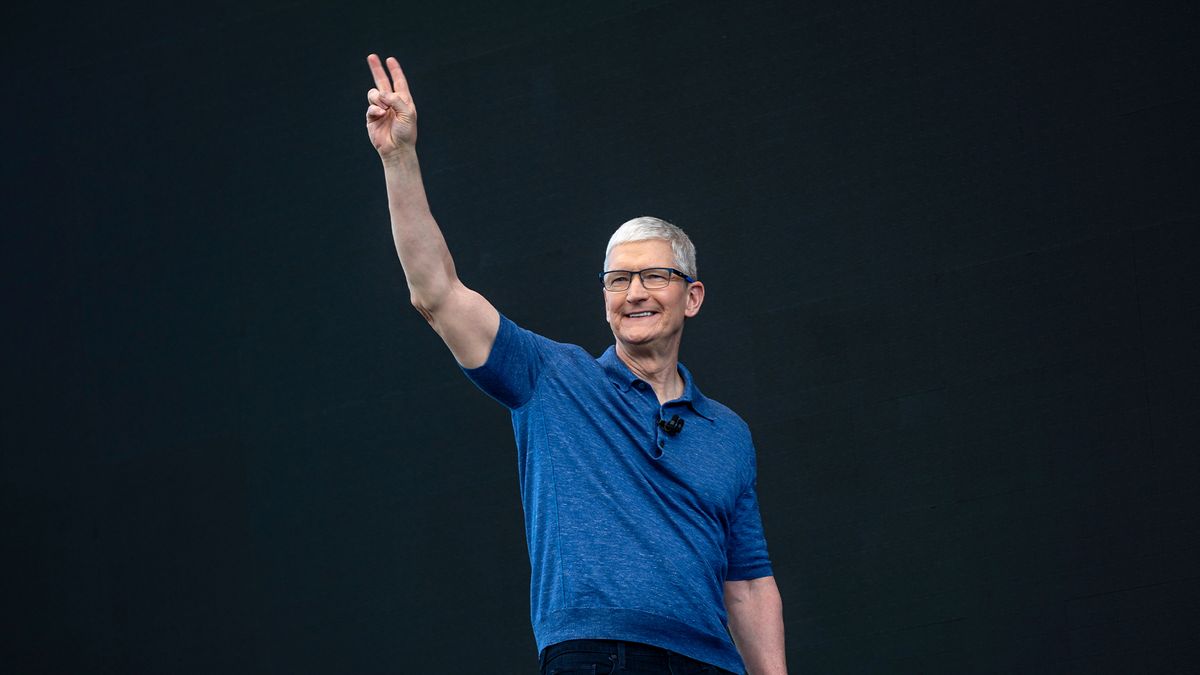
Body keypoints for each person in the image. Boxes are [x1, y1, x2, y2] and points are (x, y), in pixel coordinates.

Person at [365, 53, 787, 675]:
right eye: (618, 280)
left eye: (654, 276)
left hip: (708, 663)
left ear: (692, 296)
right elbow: (438, 293)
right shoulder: (552, 378)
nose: (634, 292)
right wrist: (398, 159)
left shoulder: (728, 433)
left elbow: (748, 584)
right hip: (596, 655)